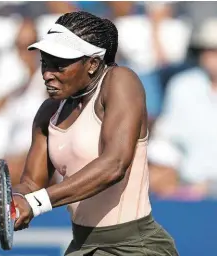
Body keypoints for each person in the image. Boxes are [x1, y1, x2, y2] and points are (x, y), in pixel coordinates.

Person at [11, 11, 178, 256]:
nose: (47, 73)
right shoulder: (48, 112)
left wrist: (36, 203)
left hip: (137, 247)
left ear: (92, 64)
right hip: (82, 246)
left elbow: (114, 165)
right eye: (45, 63)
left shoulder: (121, 81)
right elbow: (32, 182)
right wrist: (16, 199)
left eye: (60, 65)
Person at [148, 18, 217, 199]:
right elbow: (166, 139)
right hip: (190, 190)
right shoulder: (183, 85)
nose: (212, 56)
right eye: (208, 49)